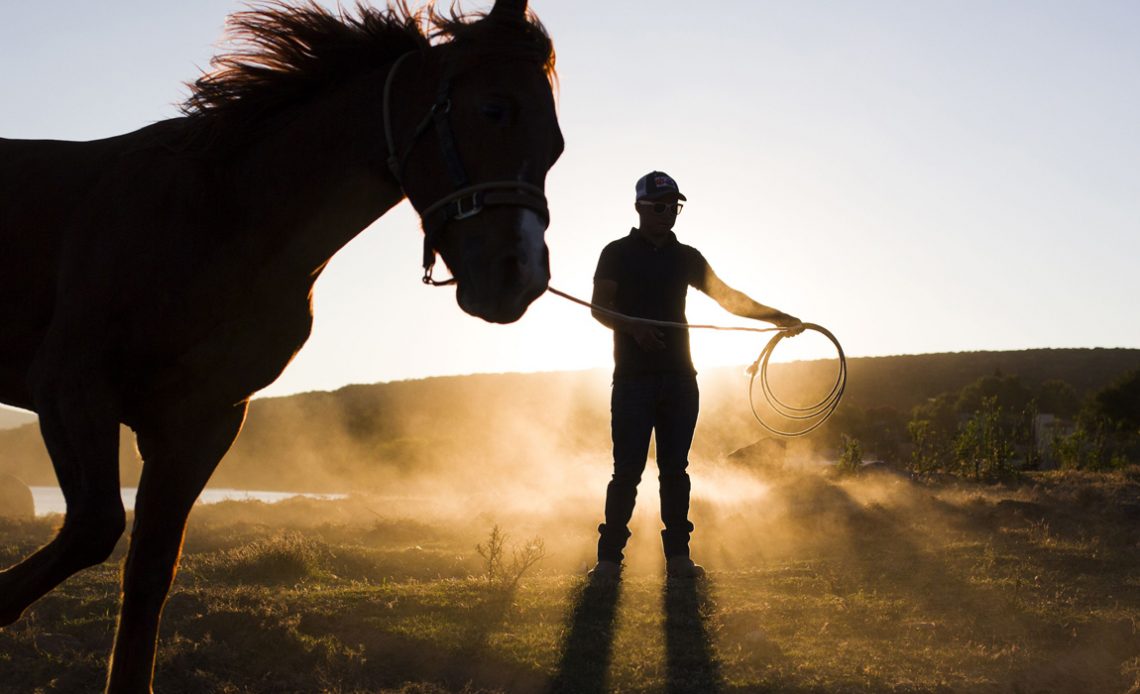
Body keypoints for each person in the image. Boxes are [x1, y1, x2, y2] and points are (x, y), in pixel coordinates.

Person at [589, 171, 803, 581]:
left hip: (680, 380)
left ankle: (678, 560)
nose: (668, 213)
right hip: (633, 381)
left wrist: (779, 318)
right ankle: (609, 561)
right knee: (627, 472)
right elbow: (599, 307)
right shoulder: (615, 253)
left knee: (675, 470)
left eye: (674, 206)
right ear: (639, 208)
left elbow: (728, 298)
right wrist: (633, 329)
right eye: (660, 206)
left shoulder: (686, 257)